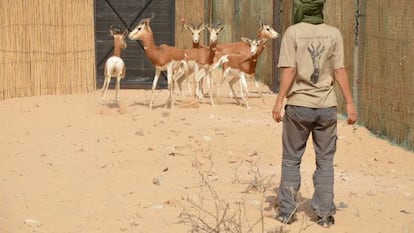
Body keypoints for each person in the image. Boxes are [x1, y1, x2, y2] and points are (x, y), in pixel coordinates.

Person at [271, 0, 357, 228]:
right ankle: (325, 214)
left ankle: (286, 212)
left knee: (291, 159)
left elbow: (289, 70)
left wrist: (279, 101)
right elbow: (339, 70)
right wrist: (349, 103)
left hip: (298, 106)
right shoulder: (334, 34)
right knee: (325, 161)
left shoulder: (293, 33)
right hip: (327, 107)